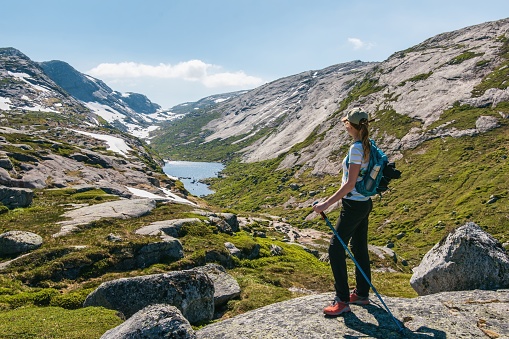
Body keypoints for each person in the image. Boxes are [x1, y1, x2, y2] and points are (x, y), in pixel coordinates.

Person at [312, 107, 373, 316]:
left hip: (353, 205)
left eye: (345, 122)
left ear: (350, 125)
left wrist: (325, 204)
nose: (344, 125)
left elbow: (350, 184)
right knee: (359, 247)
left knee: (335, 249)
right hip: (364, 203)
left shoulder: (356, 148)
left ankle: (342, 300)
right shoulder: (368, 145)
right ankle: (362, 294)